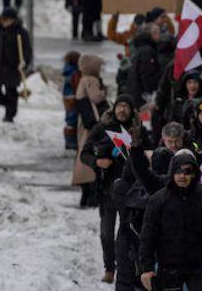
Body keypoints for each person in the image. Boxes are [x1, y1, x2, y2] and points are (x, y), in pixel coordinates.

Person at [139, 152, 202, 291]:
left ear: (194, 174)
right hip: (169, 267)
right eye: (178, 171)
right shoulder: (158, 200)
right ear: (171, 172)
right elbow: (147, 236)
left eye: (187, 171)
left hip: (199, 267)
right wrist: (146, 268)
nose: (182, 176)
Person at [81, 93, 138, 283]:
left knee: (126, 232)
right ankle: (109, 268)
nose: (122, 110)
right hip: (106, 190)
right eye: (119, 106)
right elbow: (85, 153)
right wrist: (97, 161)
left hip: (131, 191)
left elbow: (148, 153)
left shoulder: (136, 130)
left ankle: (125, 269)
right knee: (106, 233)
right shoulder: (102, 128)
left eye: (126, 106)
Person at [0, 7, 31, 122]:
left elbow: (27, 50)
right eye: (2, 19)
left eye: (6, 19)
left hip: (12, 67)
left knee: (11, 91)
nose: (3, 21)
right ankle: (8, 104)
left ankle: (9, 115)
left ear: (13, 20)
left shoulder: (21, 32)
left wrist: (24, 62)